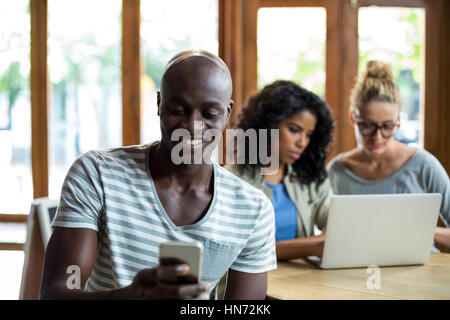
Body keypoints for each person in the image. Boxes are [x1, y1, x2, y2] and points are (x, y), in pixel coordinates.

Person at [40, 50, 277, 300]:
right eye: (178, 109)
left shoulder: (252, 210)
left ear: (227, 113)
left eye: (209, 114)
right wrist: (132, 296)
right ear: (158, 104)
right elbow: (56, 292)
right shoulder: (97, 173)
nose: (192, 126)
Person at [327, 60, 450, 248]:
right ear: (353, 118)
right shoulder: (336, 171)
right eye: (367, 125)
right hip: (355, 271)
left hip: (419, 273)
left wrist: (425, 231)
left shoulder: (424, 165)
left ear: (398, 121)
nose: (377, 136)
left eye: (387, 126)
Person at [226, 80, 335, 260]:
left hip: (303, 282)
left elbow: (337, 231)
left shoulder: (311, 177)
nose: (302, 142)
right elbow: (238, 252)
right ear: (268, 126)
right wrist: (312, 246)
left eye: (308, 135)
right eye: (294, 130)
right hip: (249, 284)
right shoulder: (231, 179)